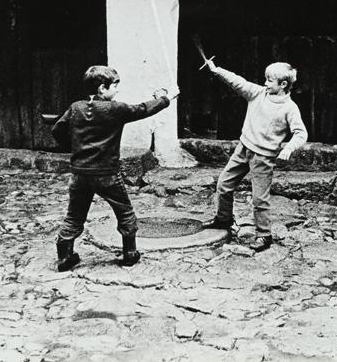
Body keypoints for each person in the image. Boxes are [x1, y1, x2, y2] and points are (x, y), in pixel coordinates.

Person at [52, 65, 179, 270]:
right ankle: (129, 253)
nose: (117, 90)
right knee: (125, 212)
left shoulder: (75, 107)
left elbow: (58, 130)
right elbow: (143, 109)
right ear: (103, 88)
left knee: (74, 216)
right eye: (115, 86)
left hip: (79, 174)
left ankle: (65, 257)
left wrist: (75, 149)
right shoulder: (115, 109)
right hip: (107, 174)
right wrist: (166, 98)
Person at [201, 60, 308, 252]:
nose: (266, 83)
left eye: (270, 80)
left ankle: (264, 235)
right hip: (243, 148)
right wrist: (217, 70)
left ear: (283, 85)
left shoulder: (290, 108)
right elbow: (237, 81)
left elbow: (301, 133)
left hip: (263, 158)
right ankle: (223, 219)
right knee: (224, 184)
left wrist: (289, 148)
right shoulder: (258, 93)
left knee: (260, 199)